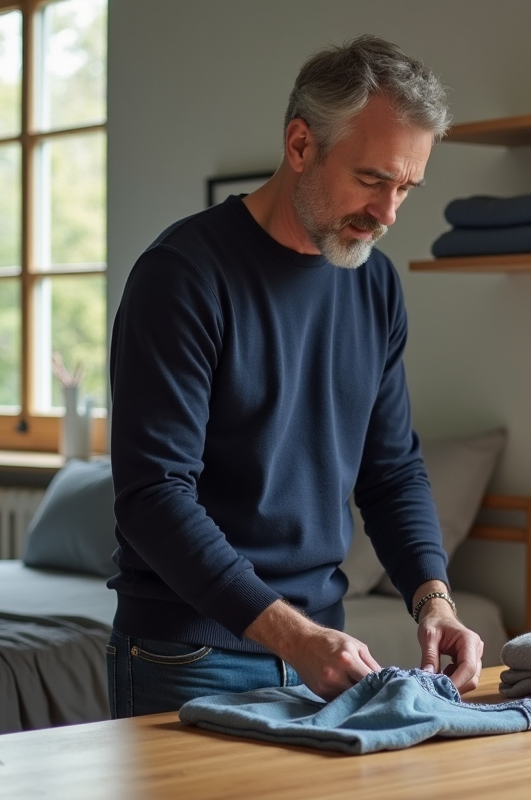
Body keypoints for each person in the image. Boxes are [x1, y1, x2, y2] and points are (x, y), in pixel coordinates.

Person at [105, 34, 484, 717]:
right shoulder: (183, 276)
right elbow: (152, 496)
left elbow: (392, 469)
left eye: (406, 188)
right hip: (189, 656)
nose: (389, 213)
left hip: (318, 649)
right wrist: (293, 634)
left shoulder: (375, 285)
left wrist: (435, 601)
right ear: (301, 145)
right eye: (372, 179)